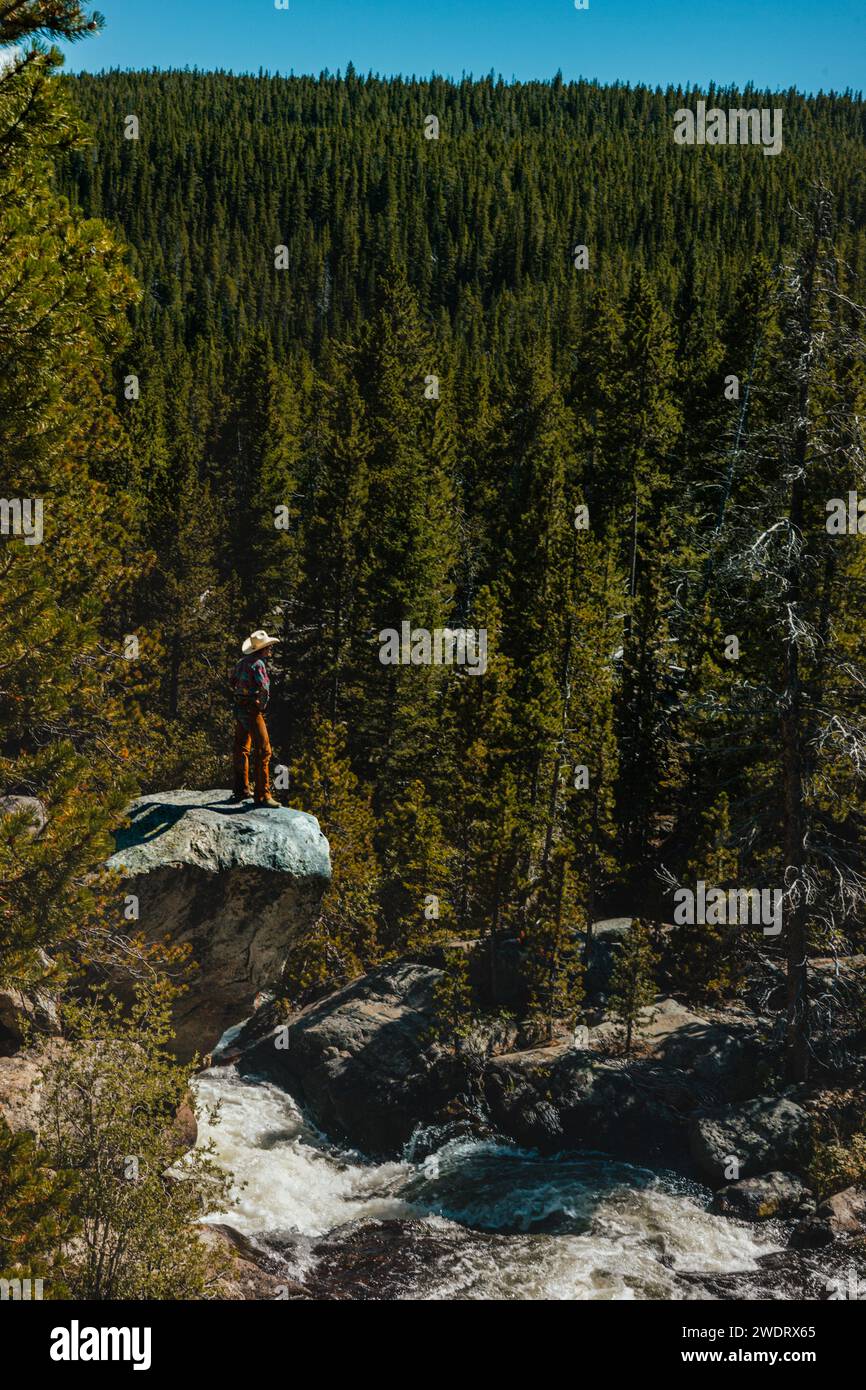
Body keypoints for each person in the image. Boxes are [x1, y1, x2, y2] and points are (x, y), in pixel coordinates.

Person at [229, 629, 280, 808]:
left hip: (239, 709)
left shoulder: (241, 662)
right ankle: (262, 795)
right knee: (264, 750)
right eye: (268, 647)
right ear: (263, 649)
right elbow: (265, 688)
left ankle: (240, 789)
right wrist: (261, 705)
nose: (270, 650)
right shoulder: (258, 664)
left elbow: (232, 681)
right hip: (252, 710)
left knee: (241, 748)